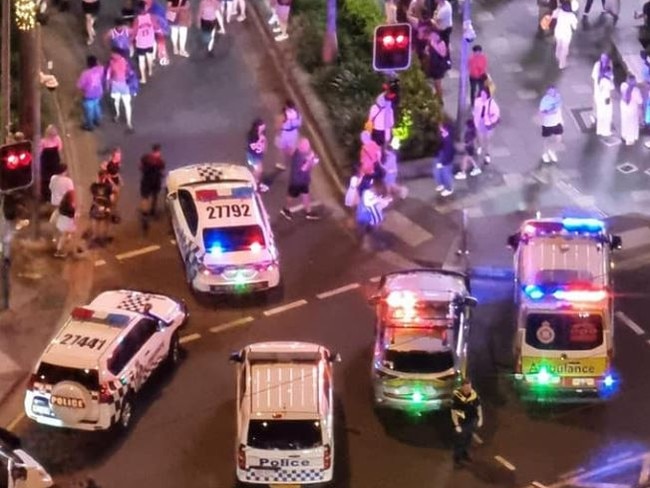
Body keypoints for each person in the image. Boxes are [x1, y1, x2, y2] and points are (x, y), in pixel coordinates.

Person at [280, 137, 320, 221]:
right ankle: (285, 209)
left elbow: (308, 167)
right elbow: (304, 169)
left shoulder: (303, 154)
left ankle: (308, 212)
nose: (308, 147)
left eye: (308, 145)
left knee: (305, 195)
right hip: (297, 181)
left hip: (303, 180)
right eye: (306, 145)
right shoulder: (299, 156)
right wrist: (310, 160)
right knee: (291, 195)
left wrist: (313, 161)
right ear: (300, 146)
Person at [450, 378, 483, 469]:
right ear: (462, 387)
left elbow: (478, 407)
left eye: (469, 387)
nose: (468, 389)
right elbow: (453, 411)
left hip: (471, 420)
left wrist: (480, 419)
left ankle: (465, 454)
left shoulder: (473, 395)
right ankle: (457, 459)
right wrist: (456, 425)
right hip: (461, 422)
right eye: (466, 388)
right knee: (460, 441)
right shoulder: (457, 397)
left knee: (468, 439)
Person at [106, 49, 134, 132]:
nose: (112, 55)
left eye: (113, 54)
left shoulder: (123, 62)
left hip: (120, 85)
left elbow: (130, 73)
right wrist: (108, 82)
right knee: (118, 102)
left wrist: (108, 83)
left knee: (126, 104)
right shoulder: (113, 62)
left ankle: (128, 121)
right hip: (118, 85)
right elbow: (109, 72)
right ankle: (118, 115)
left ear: (118, 54)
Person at [139, 143, 166, 231]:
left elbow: (140, 167)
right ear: (158, 151)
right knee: (155, 196)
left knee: (145, 197)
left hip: (146, 180)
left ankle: (144, 215)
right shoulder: (160, 161)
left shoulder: (145, 158)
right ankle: (152, 211)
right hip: (155, 181)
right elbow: (162, 169)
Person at [472, 87, 500, 165]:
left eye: (484, 95)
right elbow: (475, 110)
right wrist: (475, 118)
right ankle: (480, 146)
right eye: (481, 95)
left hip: (488, 124)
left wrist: (491, 120)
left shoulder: (492, 103)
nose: (482, 96)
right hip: (479, 122)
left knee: (487, 140)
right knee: (479, 137)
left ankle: (487, 155)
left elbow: (496, 114)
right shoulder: (477, 101)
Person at [76, 55, 104, 131]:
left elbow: (79, 85)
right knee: (96, 106)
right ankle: (97, 120)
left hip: (89, 95)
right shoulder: (100, 69)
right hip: (98, 92)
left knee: (89, 111)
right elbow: (100, 66)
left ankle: (89, 125)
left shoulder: (85, 74)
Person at [133, 1, 157, 84]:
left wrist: (132, 39)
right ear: (145, 8)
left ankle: (143, 78)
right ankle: (150, 70)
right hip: (149, 41)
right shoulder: (151, 17)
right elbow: (156, 26)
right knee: (149, 56)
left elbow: (134, 31)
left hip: (140, 43)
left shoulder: (137, 19)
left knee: (141, 60)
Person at [539, 86, 564, 163]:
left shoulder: (558, 97)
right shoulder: (545, 100)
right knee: (547, 139)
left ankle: (552, 150)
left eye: (553, 91)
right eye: (550, 92)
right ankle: (545, 153)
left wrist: (562, 120)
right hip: (548, 123)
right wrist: (550, 112)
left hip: (557, 122)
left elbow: (559, 109)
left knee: (558, 139)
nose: (552, 93)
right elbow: (541, 112)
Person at [89, 170, 114, 246]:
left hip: (95, 206)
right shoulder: (108, 186)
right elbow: (113, 194)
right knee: (105, 222)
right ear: (105, 176)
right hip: (105, 207)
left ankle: (95, 237)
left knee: (95, 222)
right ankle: (103, 239)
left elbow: (92, 194)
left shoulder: (93, 186)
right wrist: (110, 179)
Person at [275, 100, 302, 170]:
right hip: (294, 133)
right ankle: (292, 162)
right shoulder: (298, 114)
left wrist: (278, 132)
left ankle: (282, 164)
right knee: (291, 150)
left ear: (286, 106)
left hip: (285, 134)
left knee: (281, 150)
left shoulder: (284, 115)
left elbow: (278, 126)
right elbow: (299, 124)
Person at [39, 125, 63, 202]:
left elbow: (39, 152)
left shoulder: (43, 141)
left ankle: (46, 196)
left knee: (45, 180)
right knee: (55, 179)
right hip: (55, 162)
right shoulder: (58, 139)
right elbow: (60, 148)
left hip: (45, 163)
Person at [552, 1, 577, 70]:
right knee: (564, 49)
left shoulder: (559, 11)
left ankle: (557, 56)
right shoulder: (572, 16)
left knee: (558, 45)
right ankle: (562, 64)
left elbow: (553, 16)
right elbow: (574, 27)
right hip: (566, 33)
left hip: (558, 31)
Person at [619, 75, 644, 146]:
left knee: (625, 122)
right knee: (632, 123)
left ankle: (624, 136)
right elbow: (640, 102)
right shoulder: (636, 90)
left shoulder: (623, 85)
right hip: (632, 109)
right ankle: (630, 139)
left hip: (624, 107)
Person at [246, 118, 269, 192]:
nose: (263, 126)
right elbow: (253, 147)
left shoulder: (262, 133)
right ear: (257, 127)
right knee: (259, 170)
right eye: (261, 125)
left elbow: (265, 142)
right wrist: (260, 140)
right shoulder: (252, 136)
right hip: (253, 156)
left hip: (258, 155)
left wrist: (264, 144)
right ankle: (253, 182)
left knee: (258, 170)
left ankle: (255, 181)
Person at [101, 147, 123, 220]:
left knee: (115, 199)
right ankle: (108, 213)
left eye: (120, 156)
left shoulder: (116, 163)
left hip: (114, 183)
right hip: (110, 184)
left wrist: (120, 179)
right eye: (119, 156)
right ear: (115, 156)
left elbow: (116, 173)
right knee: (112, 199)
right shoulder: (111, 165)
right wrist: (113, 184)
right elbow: (107, 176)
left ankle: (109, 212)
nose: (120, 157)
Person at [434, 122, 455, 197]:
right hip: (441, 156)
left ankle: (449, 188)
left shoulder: (448, 140)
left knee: (446, 173)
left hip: (446, 159)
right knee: (438, 171)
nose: (441, 131)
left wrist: (443, 162)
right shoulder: (444, 137)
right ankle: (441, 184)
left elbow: (449, 152)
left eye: (442, 130)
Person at [426, 31, 450, 98]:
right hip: (434, 66)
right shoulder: (432, 43)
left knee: (437, 83)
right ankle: (438, 96)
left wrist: (433, 48)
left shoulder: (440, 44)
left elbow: (443, 54)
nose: (430, 38)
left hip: (438, 67)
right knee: (436, 83)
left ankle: (439, 98)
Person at [54, 190, 77, 258]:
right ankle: (62, 251)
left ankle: (61, 250)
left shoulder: (63, 203)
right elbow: (72, 214)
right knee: (67, 236)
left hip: (63, 222)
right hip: (67, 223)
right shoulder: (69, 205)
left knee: (65, 236)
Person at [594, 65, 615, 138]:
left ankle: (600, 130)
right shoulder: (607, 81)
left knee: (601, 115)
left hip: (601, 99)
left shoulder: (601, 79)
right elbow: (611, 88)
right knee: (607, 115)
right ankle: (606, 131)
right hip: (606, 99)